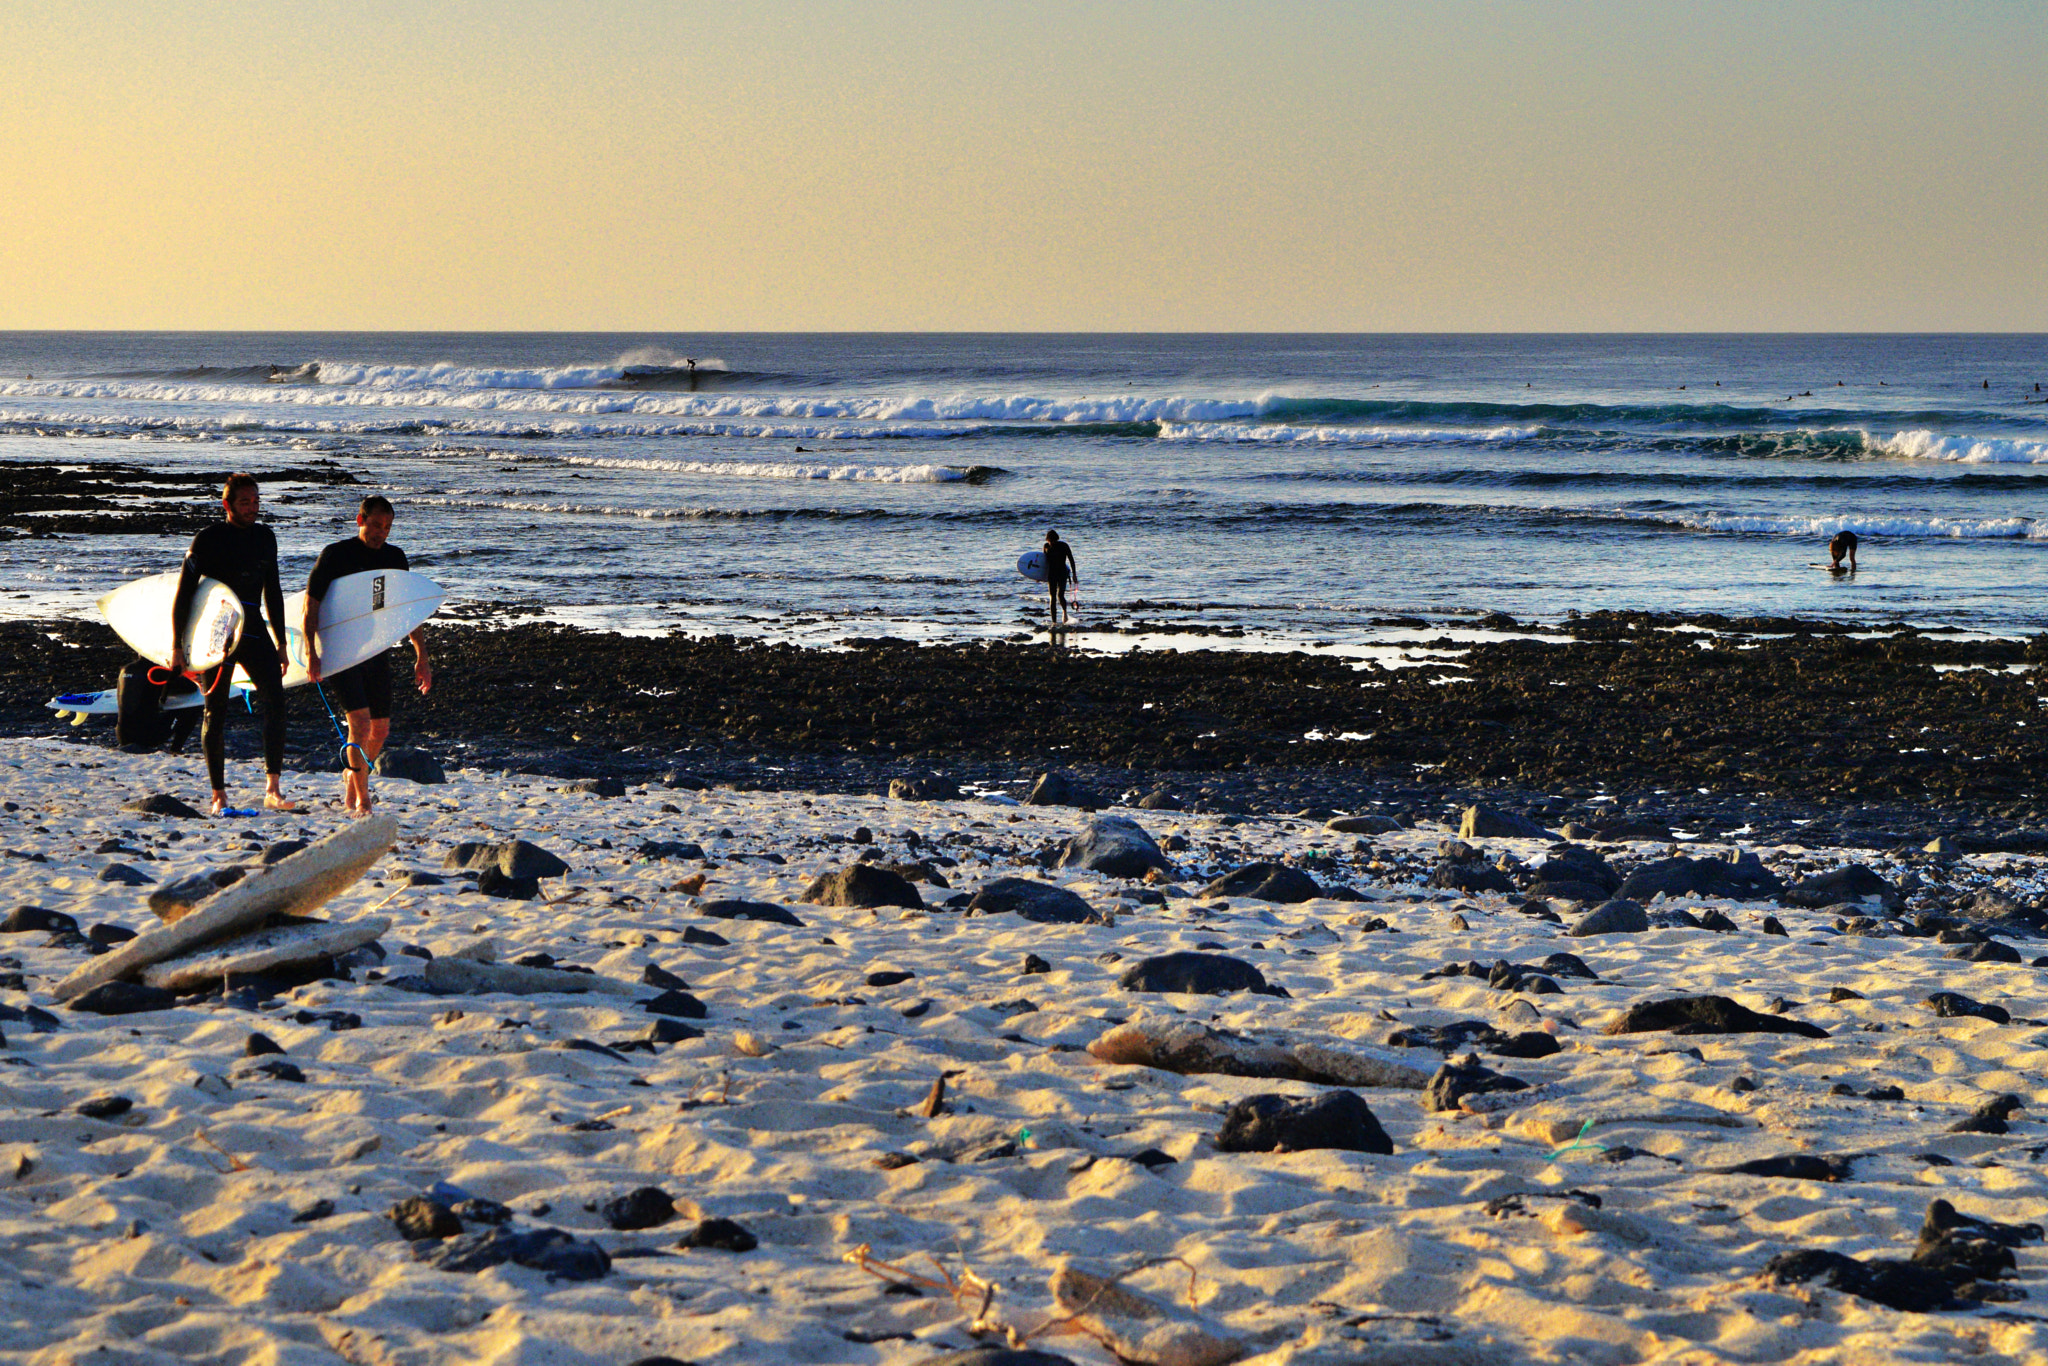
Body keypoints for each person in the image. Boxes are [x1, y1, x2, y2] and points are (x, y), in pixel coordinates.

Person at [168, 473, 295, 814]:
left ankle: (273, 788)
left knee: (277, 704)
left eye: (256, 501)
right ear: (227, 505)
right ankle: (218, 794)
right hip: (217, 633)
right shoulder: (207, 539)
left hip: (253, 630)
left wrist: (281, 642)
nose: (252, 508)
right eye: (245, 502)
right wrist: (178, 646)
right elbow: (184, 595)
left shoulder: (266, 538)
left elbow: (274, 592)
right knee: (216, 711)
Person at [304, 495, 433, 817]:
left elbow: (406, 609)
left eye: (387, 527)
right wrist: (311, 652)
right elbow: (311, 605)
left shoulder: (394, 557)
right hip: (341, 650)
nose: (382, 533)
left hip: (376, 649)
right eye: (376, 525)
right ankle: (362, 797)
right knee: (359, 725)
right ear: (360, 520)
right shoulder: (336, 555)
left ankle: (354, 775)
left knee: (381, 730)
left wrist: (421, 656)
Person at [1042, 529, 1078, 626]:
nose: (1051, 543)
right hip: (1051, 574)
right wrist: (1039, 576)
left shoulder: (1063, 546)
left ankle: (1064, 612)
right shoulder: (1046, 547)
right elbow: (1043, 563)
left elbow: (1071, 560)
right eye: (1049, 541)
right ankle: (1054, 621)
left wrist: (1074, 574)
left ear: (1056, 539)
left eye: (1052, 541)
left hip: (1062, 573)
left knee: (1060, 595)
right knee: (1052, 597)